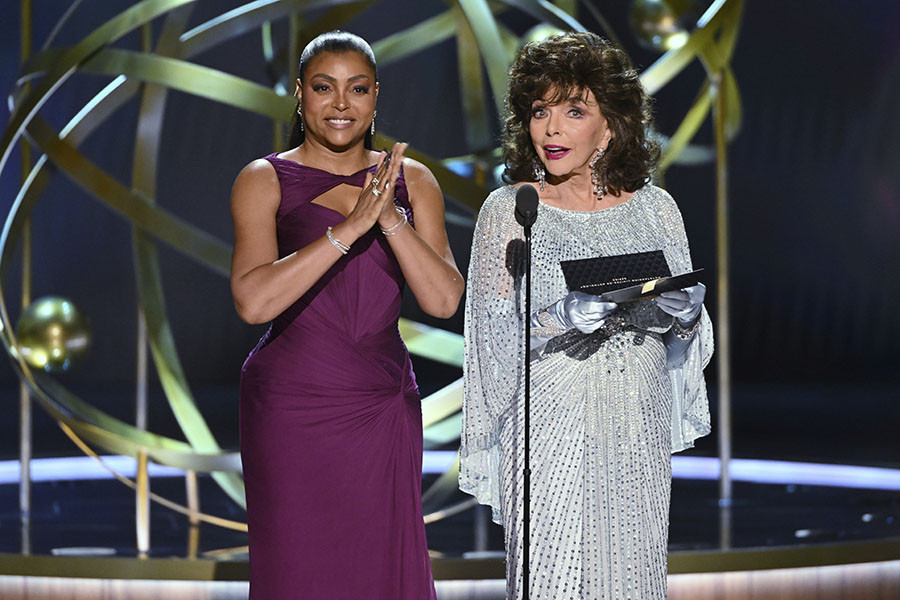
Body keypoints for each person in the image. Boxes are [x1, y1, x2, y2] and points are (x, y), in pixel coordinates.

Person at [460, 32, 713, 599]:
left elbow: (686, 341)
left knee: (632, 576)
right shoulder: (510, 212)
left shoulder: (656, 207)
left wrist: (688, 315)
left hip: (636, 423)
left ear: (613, 123)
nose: (550, 129)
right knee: (555, 577)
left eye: (574, 111)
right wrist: (557, 315)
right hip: (551, 423)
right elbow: (487, 340)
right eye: (540, 111)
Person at [230, 30, 464, 600]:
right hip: (291, 407)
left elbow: (443, 301)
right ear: (299, 94)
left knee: (380, 570)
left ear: (376, 95)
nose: (341, 104)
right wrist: (349, 229)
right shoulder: (264, 178)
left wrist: (388, 220)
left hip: (380, 404)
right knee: (298, 570)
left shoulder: (415, 182)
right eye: (324, 87)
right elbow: (252, 301)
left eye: (357, 89)